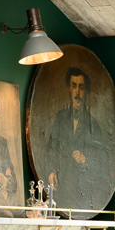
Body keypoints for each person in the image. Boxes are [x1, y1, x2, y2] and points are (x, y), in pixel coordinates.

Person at [46, 66, 104, 212]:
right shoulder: (60, 118)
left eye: (81, 87)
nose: (77, 93)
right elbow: (51, 148)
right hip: (61, 189)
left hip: (82, 193)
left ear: (86, 91)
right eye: (74, 86)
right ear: (68, 89)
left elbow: (102, 163)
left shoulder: (93, 125)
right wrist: (51, 171)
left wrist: (86, 160)